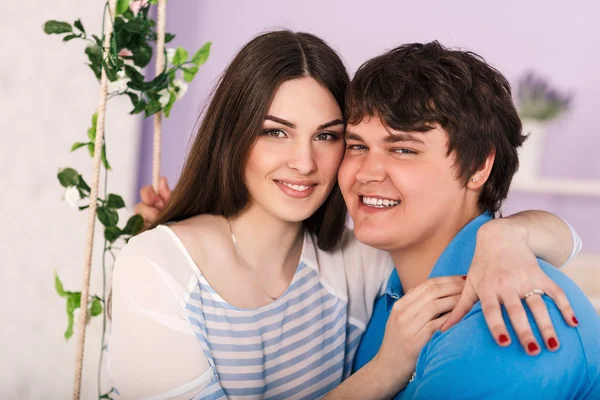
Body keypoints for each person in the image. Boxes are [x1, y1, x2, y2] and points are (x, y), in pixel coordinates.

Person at [108, 31, 581, 399]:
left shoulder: (359, 261)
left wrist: (505, 238)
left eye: (329, 136)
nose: (304, 162)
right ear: (233, 135)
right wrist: (380, 375)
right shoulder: (159, 266)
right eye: (275, 132)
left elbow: (568, 242)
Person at [338, 41, 600, 399]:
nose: (365, 172)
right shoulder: (384, 291)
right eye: (356, 146)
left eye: (403, 149)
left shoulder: (505, 321)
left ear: (478, 167)